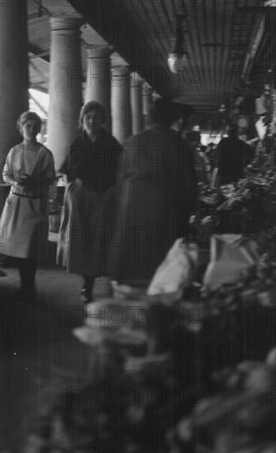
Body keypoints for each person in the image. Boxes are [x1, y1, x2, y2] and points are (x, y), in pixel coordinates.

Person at [107, 98, 198, 287]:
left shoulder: (131, 142)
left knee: (133, 271)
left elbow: (118, 184)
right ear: (173, 117)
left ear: (149, 117)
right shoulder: (180, 145)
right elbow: (190, 188)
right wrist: (191, 213)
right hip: (166, 214)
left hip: (131, 214)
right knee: (162, 274)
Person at [57, 101, 123, 304]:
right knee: (83, 240)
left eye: (95, 118)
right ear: (82, 120)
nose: (91, 122)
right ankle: (87, 284)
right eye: (87, 118)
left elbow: (120, 171)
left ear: (102, 120)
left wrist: (112, 192)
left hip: (105, 197)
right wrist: (74, 192)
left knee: (101, 239)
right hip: (81, 198)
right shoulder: (76, 144)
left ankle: (104, 281)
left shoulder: (112, 144)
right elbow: (68, 171)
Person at [0, 111, 55, 298]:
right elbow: (6, 173)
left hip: (35, 203)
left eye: (35, 126)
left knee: (31, 247)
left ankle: (29, 284)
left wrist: (35, 182)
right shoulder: (14, 151)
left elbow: (49, 178)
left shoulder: (45, 153)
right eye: (27, 125)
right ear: (21, 128)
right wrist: (16, 182)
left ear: (39, 129)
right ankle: (24, 284)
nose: (31, 129)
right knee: (19, 247)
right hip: (17, 203)